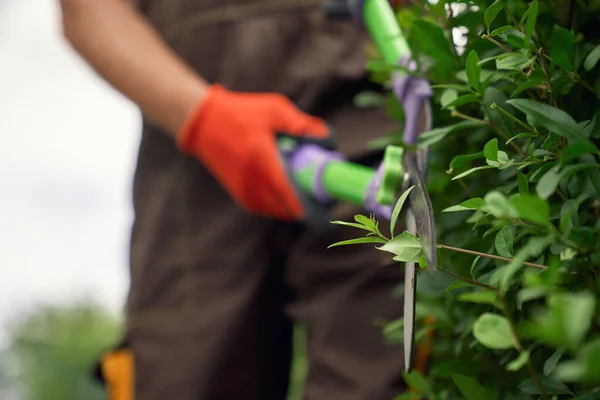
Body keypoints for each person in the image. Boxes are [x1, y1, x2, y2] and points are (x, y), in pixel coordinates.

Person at [59, 0, 406, 399]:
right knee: (186, 375)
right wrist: (203, 119)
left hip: (369, 116)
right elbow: (88, 10)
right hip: (190, 153)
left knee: (379, 372)